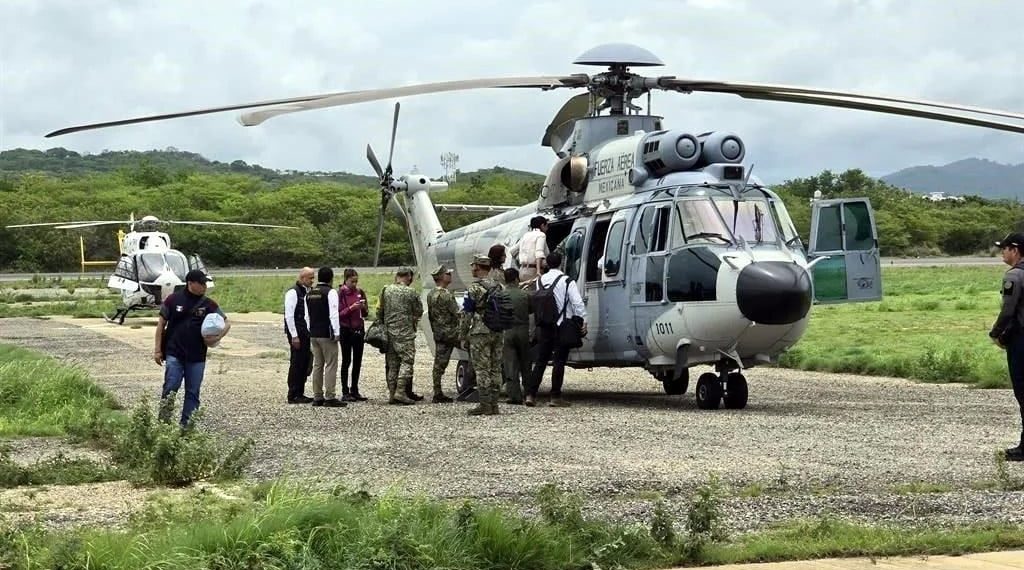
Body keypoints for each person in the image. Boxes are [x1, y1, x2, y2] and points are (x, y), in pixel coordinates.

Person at [153, 269, 230, 427]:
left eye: (205, 283)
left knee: (193, 392)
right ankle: (163, 424)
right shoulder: (173, 300)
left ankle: (187, 428)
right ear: (190, 283)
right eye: (201, 283)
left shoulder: (208, 304)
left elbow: (227, 323)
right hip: (174, 353)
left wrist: (218, 337)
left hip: (197, 356)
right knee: (170, 387)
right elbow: (161, 325)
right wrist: (157, 350)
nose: (205, 286)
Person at [525, 250, 586, 407]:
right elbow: (577, 303)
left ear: (547, 264)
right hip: (562, 325)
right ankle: (555, 396)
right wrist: (583, 320)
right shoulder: (567, 280)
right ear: (561, 263)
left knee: (541, 361)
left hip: (545, 325)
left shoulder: (540, 280)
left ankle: (531, 394)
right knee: (559, 361)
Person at [991, 232, 1024, 461]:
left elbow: (1008, 311)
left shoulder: (1014, 275)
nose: (1002, 252)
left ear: (1015, 250)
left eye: (1004, 248)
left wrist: (996, 334)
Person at [461, 255, 503, 416]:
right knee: (496, 368)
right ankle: (494, 404)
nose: (472, 269)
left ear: (478, 267)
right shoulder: (499, 286)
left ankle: (485, 405)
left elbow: (467, 314)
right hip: (497, 331)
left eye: (473, 266)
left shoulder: (473, 288)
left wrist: (463, 335)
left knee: (482, 369)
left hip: (480, 332)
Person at [378, 267, 422, 405]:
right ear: (408, 276)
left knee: (392, 364)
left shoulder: (386, 290)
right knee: (407, 361)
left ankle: (392, 394)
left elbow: (380, 310)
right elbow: (419, 310)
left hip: (389, 333)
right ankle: (400, 392)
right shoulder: (411, 292)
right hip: (405, 334)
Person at [305, 266, 345, 408]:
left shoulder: (310, 293)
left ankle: (317, 396)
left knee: (318, 365)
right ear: (331, 278)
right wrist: (336, 332)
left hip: (314, 333)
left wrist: (310, 330)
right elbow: (333, 314)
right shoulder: (330, 292)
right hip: (327, 334)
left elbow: (307, 315)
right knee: (331, 364)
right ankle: (330, 396)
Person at [426, 264, 457, 403]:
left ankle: (437, 392)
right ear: (441, 277)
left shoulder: (430, 294)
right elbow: (457, 313)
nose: (450, 276)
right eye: (447, 274)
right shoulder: (447, 295)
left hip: (439, 333)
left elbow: (431, 316)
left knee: (439, 364)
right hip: (451, 333)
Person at [284, 267, 315, 404]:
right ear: (302, 278)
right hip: (297, 332)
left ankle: (300, 392)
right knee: (297, 362)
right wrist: (294, 335)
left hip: (305, 332)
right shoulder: (293, 292)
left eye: (313, 278)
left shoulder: (307, 292)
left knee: (305, 362)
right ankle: (293, 393)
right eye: (310, 278)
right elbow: (289, 315)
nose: (312, 280)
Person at [338, 268, 369, 402]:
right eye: (352, 281)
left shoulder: (360, 292)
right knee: (346, 360)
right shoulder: (341, 293)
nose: (355, 284)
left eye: (356, 281)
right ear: (346, 280)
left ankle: (354, 389)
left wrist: (363, 308)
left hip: (358, 329)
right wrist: (351, 308)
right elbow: (338, 314)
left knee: (358, 361)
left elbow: (366, 313)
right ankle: (345, 391)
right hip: (346, 329)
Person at [502, 267, 531, 404]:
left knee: (510, 364)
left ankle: (514, 396)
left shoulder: (501, 295)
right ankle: (529, 393)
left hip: (507, 331)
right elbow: (531, 310)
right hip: (523, 330)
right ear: (516, 279)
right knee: (526, 363)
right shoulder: (525, 294)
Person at [514, 216, 549, 283]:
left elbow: (513, 251)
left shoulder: (526, 235)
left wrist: (523, 261)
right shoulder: (541, 235)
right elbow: (539, 253)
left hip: (522, 271)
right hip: (534, 271)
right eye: (546, 226)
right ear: (542, 225)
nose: (547, 229)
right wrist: (538, 271)